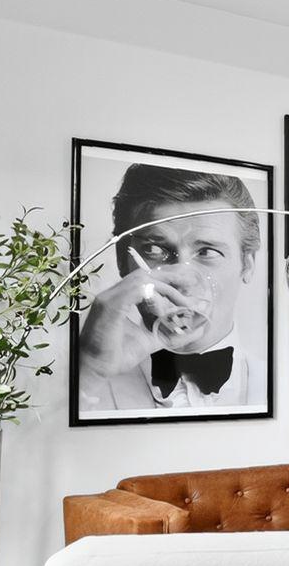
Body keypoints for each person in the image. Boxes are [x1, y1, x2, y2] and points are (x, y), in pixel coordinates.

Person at [76, 164, 265, 413]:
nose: (181, 278)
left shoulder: (288, 386)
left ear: (247, 264)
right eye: (155, 250)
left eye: (207, 252)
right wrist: (89, 370)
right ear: (122, 260)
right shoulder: (80, 381)